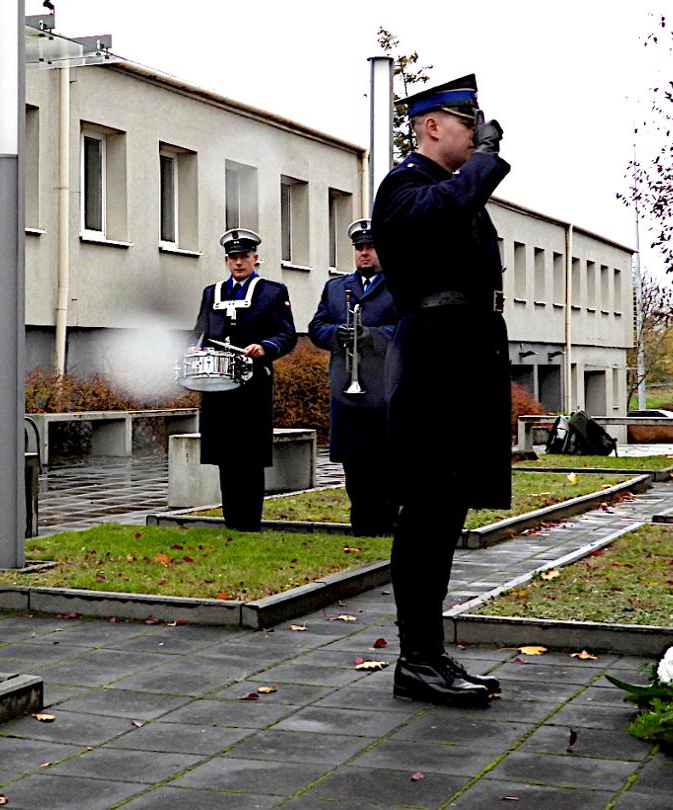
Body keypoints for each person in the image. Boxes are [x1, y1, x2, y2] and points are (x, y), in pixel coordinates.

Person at [371, 73, 511, 707]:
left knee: (448, 508)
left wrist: (477, 166)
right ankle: (415, 659)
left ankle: (429, 652)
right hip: (434, 355)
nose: (475, 133)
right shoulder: (404, 188)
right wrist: (483, 162)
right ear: (431, 126)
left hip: (467, 350)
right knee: (428, 507)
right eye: (466, 123)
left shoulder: (453, 192)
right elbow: (443, 212)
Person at [185, 228, 296, 531]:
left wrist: (266, 347)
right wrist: (194, 346)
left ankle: (250, 521)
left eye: (244, 256)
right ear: (226, 260)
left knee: (249, 456)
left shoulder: (273, 292)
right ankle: (231, 520)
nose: (238, 262)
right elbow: (200, 329)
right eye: (233, 257)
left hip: (252, 386)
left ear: (255, 258)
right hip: (217, 386)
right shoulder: (212, 292)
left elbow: (286, 334)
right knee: (225, 454)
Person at [308, 218, 399, 536]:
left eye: (371, 247)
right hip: (347, 385)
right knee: (354, 459)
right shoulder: (336, 288)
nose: (364, 253)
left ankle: (386, 520)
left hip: (384, 384)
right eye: (359, 248)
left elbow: (407, 327)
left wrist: (371, 335)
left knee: (386, 457)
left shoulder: (398, 284)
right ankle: (361, 519)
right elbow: (316, 326)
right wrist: (337, 333)